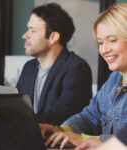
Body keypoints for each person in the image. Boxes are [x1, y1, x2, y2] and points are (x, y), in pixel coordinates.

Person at [39, 3, 127, 149]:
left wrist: (84, 139)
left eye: (112, 40)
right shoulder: (114, 79)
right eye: (100, 42)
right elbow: (90, 116)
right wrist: (61, 130)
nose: (104, 50)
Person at [17, 3, 92, 125]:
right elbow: (17, 108)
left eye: (32, 30)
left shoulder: (77, 69)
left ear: (53, 37)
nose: (25, 35)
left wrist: (21, 122)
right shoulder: (29, 68)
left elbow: (62, 115)